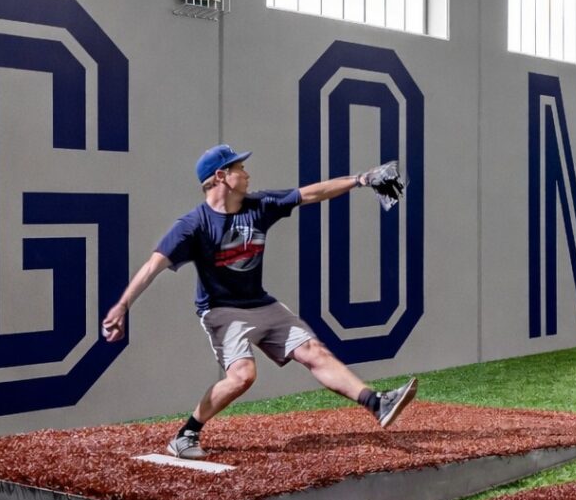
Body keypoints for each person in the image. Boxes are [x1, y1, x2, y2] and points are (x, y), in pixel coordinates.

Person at [101, 143, 415, 459]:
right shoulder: (193, 225)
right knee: (243, 376)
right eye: (240, 169)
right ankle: (186, 435)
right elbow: (152, 266)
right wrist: (123, 305)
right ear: (221, 176)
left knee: (312, 351)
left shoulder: (260, 205)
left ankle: (376, 402)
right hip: (223, 311)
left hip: (261, 303)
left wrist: (361, 179)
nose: (247, 174)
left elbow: (311, 194)